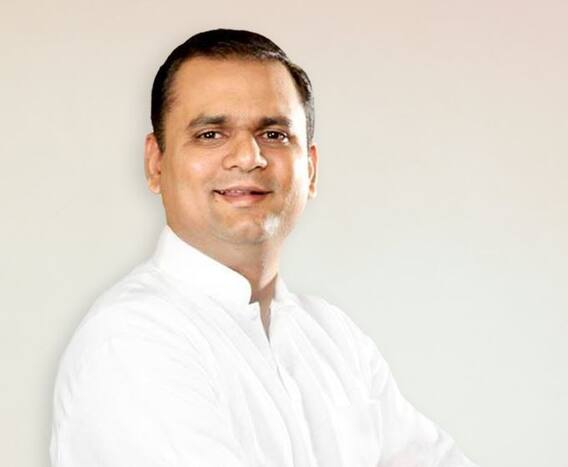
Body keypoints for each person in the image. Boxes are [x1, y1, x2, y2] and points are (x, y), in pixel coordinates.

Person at [50, 29, 477, 467]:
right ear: (156, 163)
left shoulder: (335, 340)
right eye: (211, 134)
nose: (248, 157)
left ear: (310, 169)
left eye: (273, 134)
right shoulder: (130, 340)